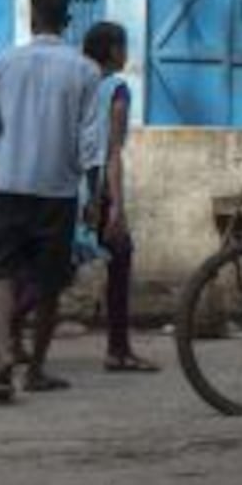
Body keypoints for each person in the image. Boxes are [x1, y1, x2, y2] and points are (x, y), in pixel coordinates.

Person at [0, 0, 102, 402]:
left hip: (9, 183)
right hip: (58, 189)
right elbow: (91, 141)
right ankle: (37, 370)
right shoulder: (85, 70)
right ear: (68, 20)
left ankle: (6, 354)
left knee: (2, 273)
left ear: (32, 17)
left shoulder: (3, 64)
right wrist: (95, 195)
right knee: (49, 283)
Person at [78, 22, 157, 373]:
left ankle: (5, 329)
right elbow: (112, 151)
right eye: (124, 47)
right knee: (120, 255)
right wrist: (117, 207)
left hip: (65, 179)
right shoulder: (117, 90)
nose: (127, 55)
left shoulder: (76, 82)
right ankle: (118, 348)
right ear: (113, 50)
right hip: (96, 183)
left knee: (56, 262)